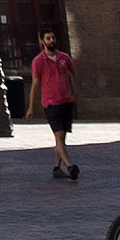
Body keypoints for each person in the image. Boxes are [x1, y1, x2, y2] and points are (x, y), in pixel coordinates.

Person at [28, 30, 78, 180]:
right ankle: (70, 166)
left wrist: (74, 94)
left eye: (53, 37)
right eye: (48, 38)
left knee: (62, 138)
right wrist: (31, 106)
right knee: (59, 135)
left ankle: (57, 167)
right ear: (42, 41)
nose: (51, 40)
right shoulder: (38, 61)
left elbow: (73, 76)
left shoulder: (65, 58)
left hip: (66, 101)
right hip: (51, 103)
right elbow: (35, 84)